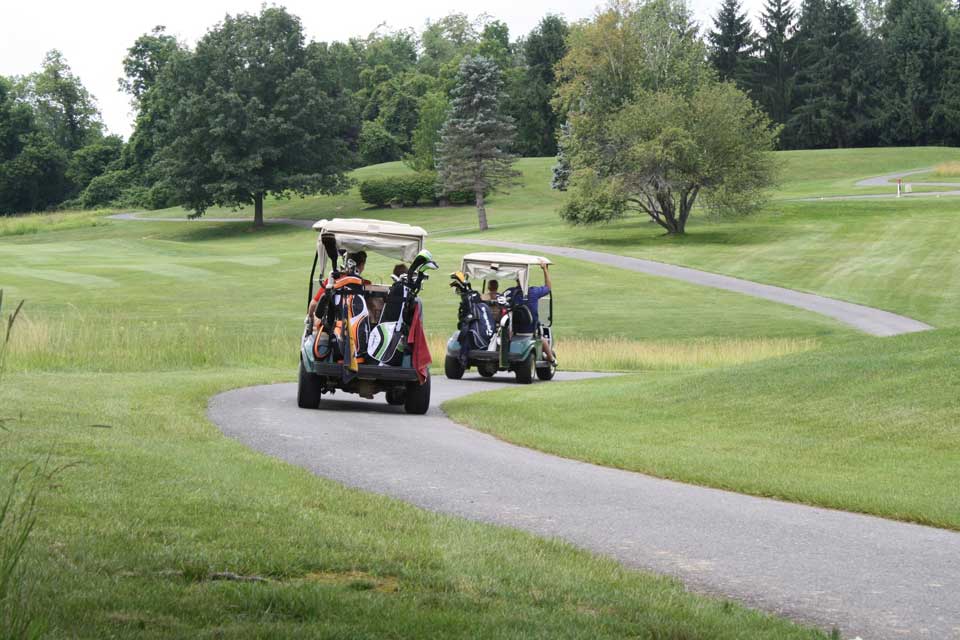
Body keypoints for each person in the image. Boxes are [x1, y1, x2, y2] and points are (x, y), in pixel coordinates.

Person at [511, 259, 556, 364]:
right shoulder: (534, 292)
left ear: (517, 280)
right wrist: (545, 269)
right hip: (530, 329)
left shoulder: (511, 292)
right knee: (542, 338)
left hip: (514, 329)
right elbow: (548, 287)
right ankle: (551, 358)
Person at [308, 251, 370, 321]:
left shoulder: (332, 281)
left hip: (334, 324)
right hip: (357, 325)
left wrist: (310, 317)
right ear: (362, 265)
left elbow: (313, 304)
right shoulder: (365, 284)